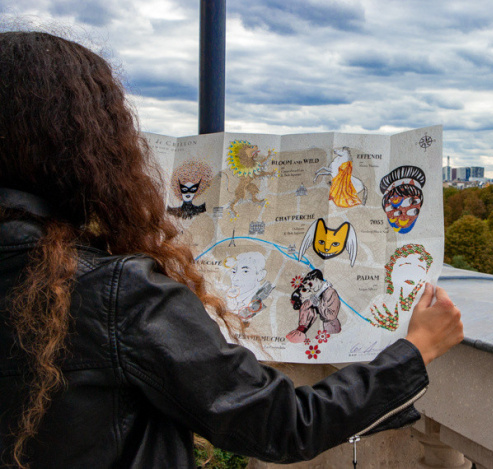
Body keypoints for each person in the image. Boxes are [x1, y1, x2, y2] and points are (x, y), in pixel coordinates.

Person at [0, 31, 464, 469]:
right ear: (87, 150)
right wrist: (416, 351)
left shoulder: (83, 286)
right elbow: (283, 423)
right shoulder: (114, 294)